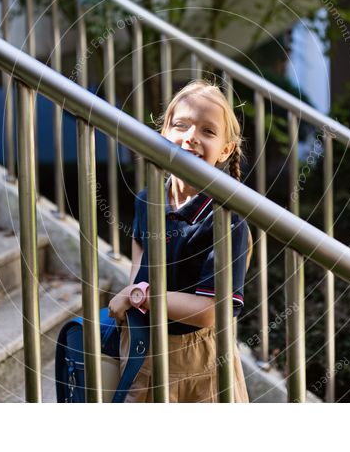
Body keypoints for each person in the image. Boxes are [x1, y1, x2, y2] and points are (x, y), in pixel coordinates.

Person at [107, 79, 251, 402]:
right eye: (181, 125)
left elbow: (209, 311)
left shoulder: (225, 218)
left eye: (207, 131)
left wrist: (138, 296)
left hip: (199, 363)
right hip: (144, 350)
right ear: (163, 135)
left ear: (226, 149)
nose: (191, 138)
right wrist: (136, 293)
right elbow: (139, 257)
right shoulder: (148, 201)